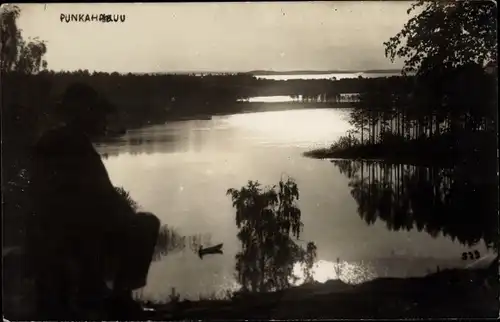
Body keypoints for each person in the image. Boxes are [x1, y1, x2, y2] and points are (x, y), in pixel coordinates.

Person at [26, 82, 160, 320]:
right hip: (70, 233)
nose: (104, 121)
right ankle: (117, 298)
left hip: (51, 231)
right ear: (85, 114)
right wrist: (127, 217)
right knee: (146, 224)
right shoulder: (76, 146)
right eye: (99, 115)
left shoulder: (55, 140)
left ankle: (96, 292)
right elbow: (105, 198)